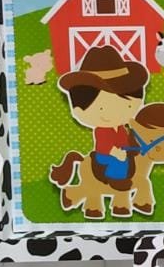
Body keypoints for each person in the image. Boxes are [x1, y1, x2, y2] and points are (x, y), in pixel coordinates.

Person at [56, 45, 147, 188]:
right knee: (119, 162)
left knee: (130, 158)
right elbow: (104, 146)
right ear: (79, 109)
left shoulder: (121, 127)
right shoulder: (102, 130)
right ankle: (117, 180)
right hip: (105, 155)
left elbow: (125, 140)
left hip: (121, 151)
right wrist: (115, 152)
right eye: (101, 108)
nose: (114, 112)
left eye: (129, 106)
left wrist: (132, 146)